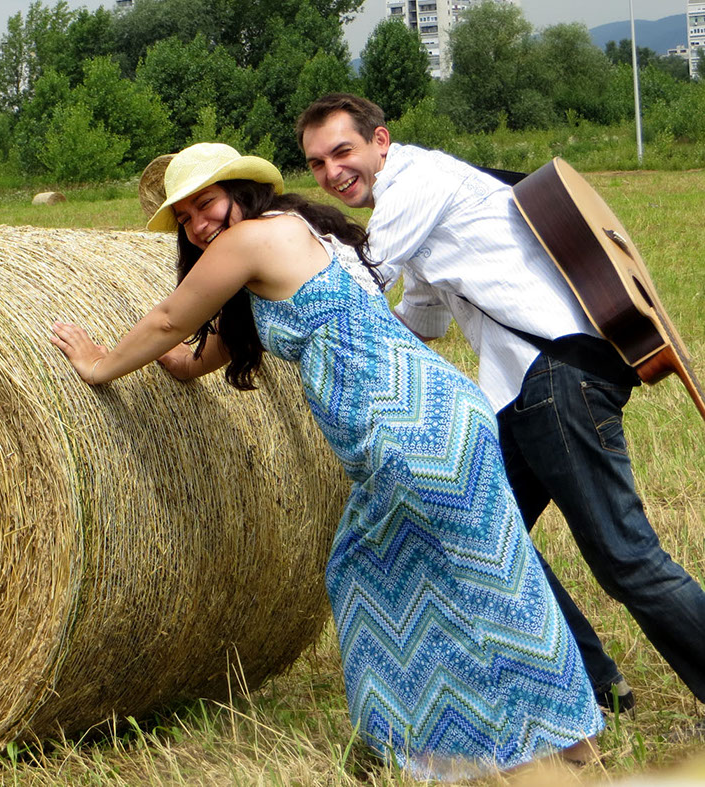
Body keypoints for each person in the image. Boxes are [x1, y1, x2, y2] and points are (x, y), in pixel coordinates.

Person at [48, 142, 602, 780]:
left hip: (404, 429)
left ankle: (445, 743)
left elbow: (172, 318)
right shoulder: (293, 236)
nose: (199, 225)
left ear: (240, 192)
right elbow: (195, 353)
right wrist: (160, 360)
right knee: (482, 575)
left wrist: (99, 362)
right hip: (438, 413)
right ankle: (516, 737)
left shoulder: (248, 239)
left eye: (207, 204)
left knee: (400, 575)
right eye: (186, 218)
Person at [296, 93, 705, 727]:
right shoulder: (420, 205)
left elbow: (359, 276)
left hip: (558, 378)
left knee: (625, 557)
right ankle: (593, 684)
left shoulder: (415, 182)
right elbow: (423, 318)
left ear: (380, 140)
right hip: (521, 391)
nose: (332, 172)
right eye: (317, 164)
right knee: (486, 532)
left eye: (342, 152)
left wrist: (276, 280)